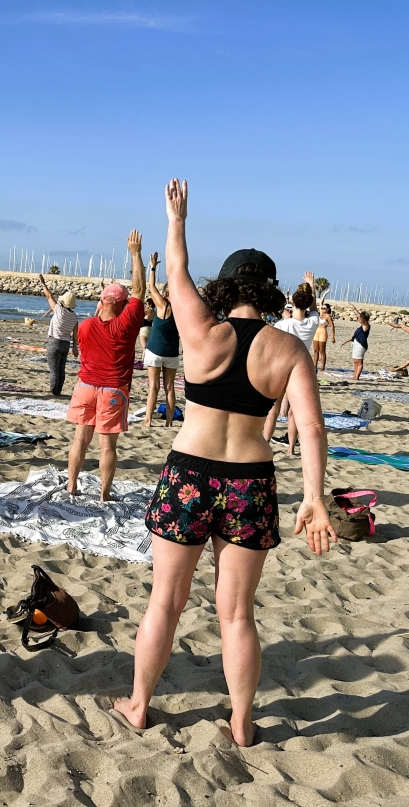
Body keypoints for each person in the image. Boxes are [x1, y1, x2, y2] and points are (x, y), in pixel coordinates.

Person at [113, 179, 336, 748]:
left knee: (166, 600)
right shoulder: (289, 349)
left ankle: (139, 706)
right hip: (249, 483)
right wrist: (314, 497)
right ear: (270, 294)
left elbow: (177, 270)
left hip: (189, 472)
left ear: (228, 286)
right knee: (236, 613)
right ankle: (240, 722)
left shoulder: (202, 330)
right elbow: (311, 427)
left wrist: (177, 221)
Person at [65, 230, 147, 500]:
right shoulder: (126, 324)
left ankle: (72, 486)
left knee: (80, 440)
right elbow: (139, 290)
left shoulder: (86, 325)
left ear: (101, 302)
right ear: (122, 305)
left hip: (85, 386)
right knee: (107, 446)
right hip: (113, 389)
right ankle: (104, 494)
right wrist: (135, 253)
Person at [263, 272, 320, 454]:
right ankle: (291, 449)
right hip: (301, 369)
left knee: (273, 410)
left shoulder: (282, 325)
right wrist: (311, 286)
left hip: (281, 367)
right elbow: (314, 308)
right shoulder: (312, 323)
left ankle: (266, 443)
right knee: (293, 412)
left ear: (293, 303)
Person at [142, 252, 181, 427]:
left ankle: (148, 420)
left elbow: (151, 286)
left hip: (155, 350)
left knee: (153, 387)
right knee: (170, 388)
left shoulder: (162, 305)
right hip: (171, 352)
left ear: (165, 293)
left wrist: (152, 268)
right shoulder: (182, 309)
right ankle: (170, 422)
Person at [38, 275, 79, 396]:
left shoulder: (59, 310)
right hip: (66, 344)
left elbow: (48, 296)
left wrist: (43, 283)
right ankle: (58, 390)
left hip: (54, 342)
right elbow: (75, 334)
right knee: (61, 369)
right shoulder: (74, 316)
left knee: (54, 369)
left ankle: (54, 391)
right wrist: (75, 347)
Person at [341, 304, 370, 380]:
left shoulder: (366, 325)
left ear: (363, 319)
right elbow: (353, 337)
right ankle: (354, 375)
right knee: (355, 361)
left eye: (359, 318)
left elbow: (359, 315)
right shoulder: (361, 327)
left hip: (361, 345)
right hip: (356, 344)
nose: (358, 319)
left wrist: (355, 309)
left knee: (359, 361)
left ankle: (357, 377)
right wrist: (345, 342)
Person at [312, 303, 335, 372]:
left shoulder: (328, 316)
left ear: (328, 309)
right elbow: (321, 303)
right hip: (316, 332)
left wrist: (333, 337)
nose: (322, 309)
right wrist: (323, 296)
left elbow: (332, 326)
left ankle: (322, 367)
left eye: (324, 308)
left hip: (323, 332)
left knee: (322, 351)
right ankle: (314, 366)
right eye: (322, 308)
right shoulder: (320, 315)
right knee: (315, 350)